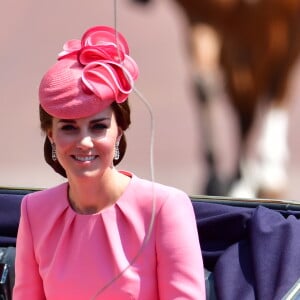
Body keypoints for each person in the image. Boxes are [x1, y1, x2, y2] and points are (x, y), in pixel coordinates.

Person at [13, 25, 206, 299]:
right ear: (51, 135)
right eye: (69, 127)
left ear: (120, 131)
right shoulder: (35, 211)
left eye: (98, 126)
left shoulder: (164, 208)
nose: (85, 141)